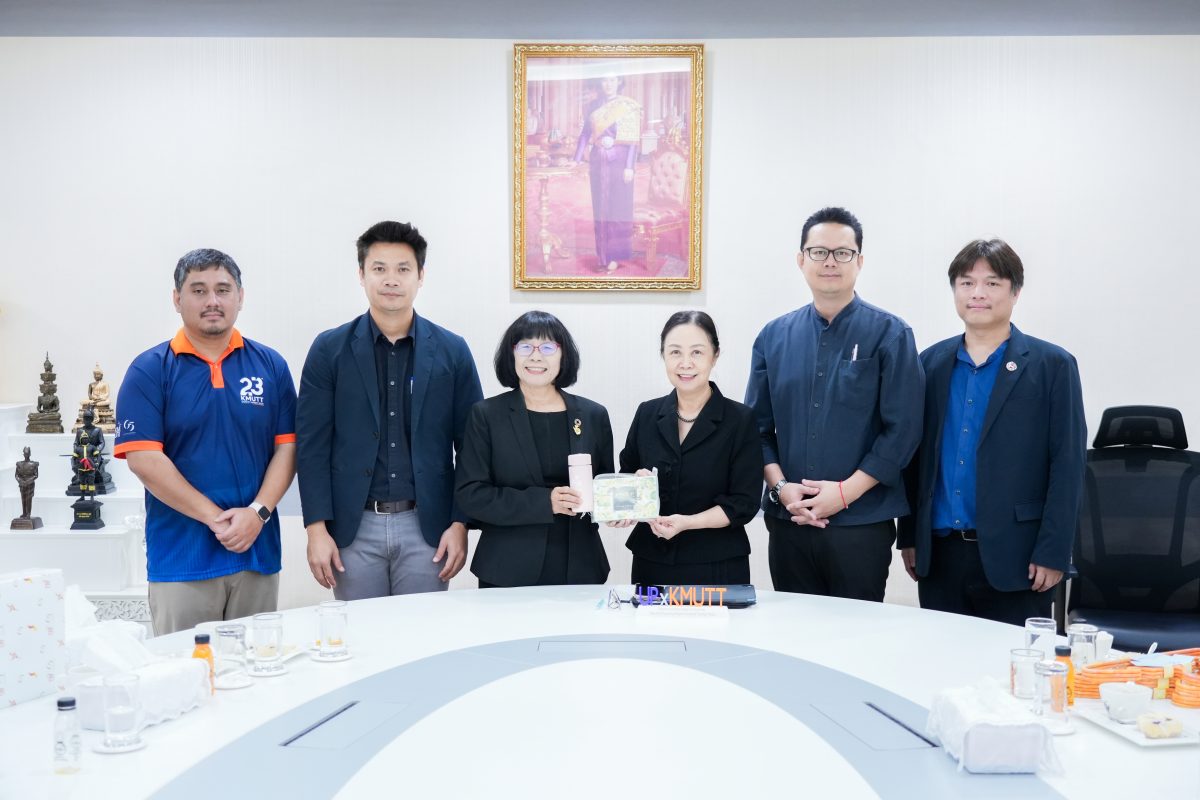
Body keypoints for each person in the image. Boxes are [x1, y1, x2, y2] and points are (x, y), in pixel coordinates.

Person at [898, 239, 1086, 624]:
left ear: (1015, 292)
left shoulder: (1052, 366)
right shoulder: (929, 363)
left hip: (1019, 557)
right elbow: (914, 457)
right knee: (939, 658)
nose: (978, 293)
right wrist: (911, 536)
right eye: (966, 283)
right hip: (940, 555)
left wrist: (1053, 552)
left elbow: (1067, 466)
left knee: (1013, 661)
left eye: (992, 283)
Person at [745, 207, 923, 601]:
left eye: (842, 253)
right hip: (789, 523)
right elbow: (756, 430)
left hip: (861, 524)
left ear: (859, 261)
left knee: (856, 632)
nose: (830, 262)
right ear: (801, 260)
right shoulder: (773, 337)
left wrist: (844, 494)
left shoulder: (891, 334)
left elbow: (904, 430)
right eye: (819, 252)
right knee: (795, 632)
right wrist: (782, 489)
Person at [115, 248, 297, 635]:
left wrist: (257, 514)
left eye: (223, 289)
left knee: (256, 665)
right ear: (177, 299)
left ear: (240, 297)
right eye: (198, 290)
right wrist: (218, 520)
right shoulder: (150, 370)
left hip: (257, 555)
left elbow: (288, 448)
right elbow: (143, 459)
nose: (212, 300)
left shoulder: (271, 366)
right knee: (186, 668)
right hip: (181, 561)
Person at [297, 221, 483, 599]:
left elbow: (472, 446)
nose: (391, 280)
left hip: (427, 528)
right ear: (362, 275)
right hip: (352, 528)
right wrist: (316, 529)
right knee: (359, 632)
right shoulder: (329, 350)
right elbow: (311, 445)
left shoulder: (452, 351)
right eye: (379, 268)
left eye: (403, 269)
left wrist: (460, 523)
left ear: (420, 276)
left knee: (421, 632)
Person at [455, 311, 613, 586]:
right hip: (507, 568)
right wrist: (545, 502)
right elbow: (471, 495)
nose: (536, 356)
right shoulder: (486, 415)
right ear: (511, 354)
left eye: (548, 347)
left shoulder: (593, 415)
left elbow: (603, 485)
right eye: (525, 347)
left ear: (563, 355)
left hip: (580, 565)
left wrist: (619, 509)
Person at [615, 311, 762, 585]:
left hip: (717, 564)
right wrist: (631, 495)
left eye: (697, 352)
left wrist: (687, 523)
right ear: (663, 355)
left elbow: (744, 503)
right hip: (652, 560)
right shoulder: (647, 413)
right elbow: (626, 476)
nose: (685, 363)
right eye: (675, 352)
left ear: (715, 356)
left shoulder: (740, 420)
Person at [574, 74, 642, 273]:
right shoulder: (593, 106)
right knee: (600, 210)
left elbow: (633, 140)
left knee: (617, 210)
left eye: (613, 80)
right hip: (598, 163)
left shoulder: (627, 106)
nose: (609, 84)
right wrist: (576, 158)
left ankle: (616, 256)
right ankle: (602, 256)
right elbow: (585, 135)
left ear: (619, 82)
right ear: (600, 83)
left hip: (620, 164)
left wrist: (629, 167)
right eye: (605, 80)